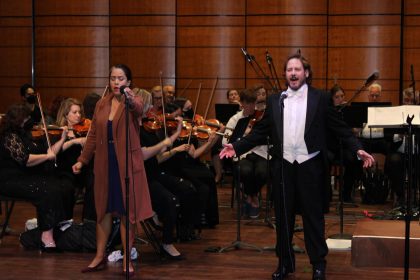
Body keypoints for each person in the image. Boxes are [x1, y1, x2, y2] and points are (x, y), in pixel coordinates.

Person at [220, 52, 374, 280]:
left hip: (310, 165)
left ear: (306, 73)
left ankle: (318, 264)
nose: (293, 73)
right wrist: (237, 146)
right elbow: (262, 132)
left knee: (313, 218)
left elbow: (339, 127)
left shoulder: (320, 98)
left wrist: (357, 148)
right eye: (289, 70)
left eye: (297, 69)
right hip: (283, 167)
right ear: (285, 74)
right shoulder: (275, 100)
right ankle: (285, 263)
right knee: (284, 218)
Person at [73, 64, 153, 276]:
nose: (116, 82)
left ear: (128, 81)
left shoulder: (133, 101)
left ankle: (128, 258)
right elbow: (92, 135)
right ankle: (99, 256)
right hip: (104, 162)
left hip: (126, 163)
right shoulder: (102, 103)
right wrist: (82, 160)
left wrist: (129, 96)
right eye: (113, 78)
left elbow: (138, 109)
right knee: (103, 210)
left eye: (121, 78)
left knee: (128, 212)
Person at [0, 104, 74, 252]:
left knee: (60, 185)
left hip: (25, 176)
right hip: (10, 180)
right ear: (17, 121)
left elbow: (49, 152)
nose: (30, 121)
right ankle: (46, 237)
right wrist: (47, 157)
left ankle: (56, 229)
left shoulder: (26, 135)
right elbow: (25, 160)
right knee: (46, 189)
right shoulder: (9, 137)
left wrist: (62, 139)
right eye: (26, 118)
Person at [222, 87, 268, 218]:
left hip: (261, 152)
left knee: (262, 172)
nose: (252, 107)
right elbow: (225, 142)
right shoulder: (235, 119)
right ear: (241, 104)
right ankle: (252, 197)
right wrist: (244, 135)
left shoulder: (261, 118)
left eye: (253, 103)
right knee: (245, 171)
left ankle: (250, 195)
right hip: (242, 155)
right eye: (248, 104)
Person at [55, 98, 95, 221]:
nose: (78, 115)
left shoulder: (84, 129)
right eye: (74, 112)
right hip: (65, 170)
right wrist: (74, 141)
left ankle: (88, 222)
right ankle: (66, 223)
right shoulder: (58, 131)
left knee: (94, 184)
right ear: (65, 114)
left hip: (83, 168)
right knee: (67, 189)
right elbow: (56, 151)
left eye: (79, 112)